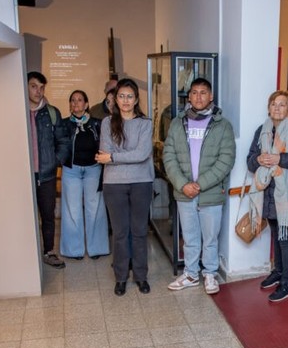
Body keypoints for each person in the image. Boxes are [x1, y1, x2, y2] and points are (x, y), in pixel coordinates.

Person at [164, 77, 236, 295]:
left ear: (211, 96)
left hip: (210, 192)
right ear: (189, 96)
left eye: (203, 92)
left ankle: (210, 274)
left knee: (211, 237)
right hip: (184, 192)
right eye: (194, 93)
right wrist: (183, 184)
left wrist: (199, 184)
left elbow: (226, 159)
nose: (198, 97)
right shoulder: (178, 123)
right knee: (190, 237)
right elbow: (169, 156)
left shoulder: (222, 125)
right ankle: (191, 274)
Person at [246, 90, 288, 302]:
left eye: (282, 104)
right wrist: (260, 159)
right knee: (276, 234)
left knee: (287, 238)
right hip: (268, 191)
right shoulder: (262, 130)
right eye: (274, 104)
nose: (277, 108)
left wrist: (278, 158)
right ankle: (278, 272)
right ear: (269, 108)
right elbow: (249, 161)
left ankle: (287, 283)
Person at [96, 78, 154, 296]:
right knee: (120, 233)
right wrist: (111, 157)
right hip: (114, 184)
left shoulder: (145, 123)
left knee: (139, 231)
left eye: (130, 96)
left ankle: (141, 276)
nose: (126, 100)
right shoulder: (106, 123)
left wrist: (112, 157)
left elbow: (141, 155)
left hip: (141, 182)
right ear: (115, 98)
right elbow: (104, 151)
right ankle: (121, 277)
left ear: (136, 99)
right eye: (121, 96)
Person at [59, 90, 109, 261]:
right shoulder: (64, 124)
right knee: (71, 210)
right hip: (71, 170)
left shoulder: (97, 123)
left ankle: (97, 249)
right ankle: (74, 250)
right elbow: (58, 145)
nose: (76, 103)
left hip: (93, 169)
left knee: (95, 209)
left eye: (80, 100)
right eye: (72, 100)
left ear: (86, 104)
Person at [27, 71, 70, 269]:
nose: (38, 91)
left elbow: (63, 141)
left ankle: (49, 251)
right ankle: (26, 252)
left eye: (41, 87)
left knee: (48, 215)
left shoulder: (51, 113)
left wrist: (55, 161)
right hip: (24, 175)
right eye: (34, 86)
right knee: (25, 215)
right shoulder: (18, 110)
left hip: (46, 174)